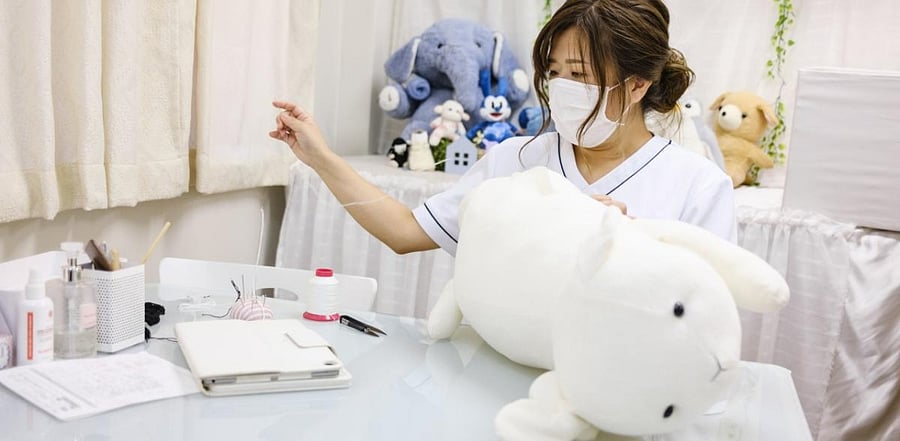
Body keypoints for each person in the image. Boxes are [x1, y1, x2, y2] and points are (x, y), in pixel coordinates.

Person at [270, 0, 735, 257]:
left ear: (635, 85)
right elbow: (406, 233)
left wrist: (625, 242)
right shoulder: (516, 157)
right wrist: (320, 157)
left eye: (580, 73)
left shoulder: (697, 185)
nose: (561, 87)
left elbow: (703, 310)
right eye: (554, 72)